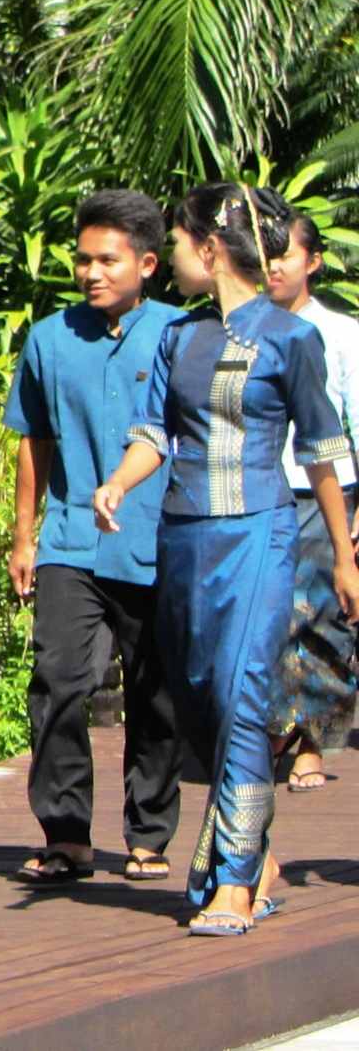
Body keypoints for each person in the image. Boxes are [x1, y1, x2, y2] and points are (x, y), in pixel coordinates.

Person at [94, 184, 359, 936]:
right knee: (200, 701)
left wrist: (344, 556)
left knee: (243, 696)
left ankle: (235, 884)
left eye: (178, 242)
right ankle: (257, 852)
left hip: (261, 536)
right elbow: (153, 434)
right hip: (183, 538)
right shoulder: (178, 337)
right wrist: (118, 483)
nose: (172, 255)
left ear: (210, 250)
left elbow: (324, 452)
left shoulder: (290, 338)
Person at [3, 190, 185, 884]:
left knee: (154, 690)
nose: (91, 273)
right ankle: (66, 833)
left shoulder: (179, 334)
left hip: (155, 542)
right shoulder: (49, 338)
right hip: (69, 539)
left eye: (108, 260)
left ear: (147, 264)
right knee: (57, 679)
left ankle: (150, 835)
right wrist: (24, 537)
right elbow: (32, 440)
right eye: (83, 260)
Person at [265, 211, 359, 792]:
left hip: (327, 494)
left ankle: (313, 743)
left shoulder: (342, 333)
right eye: (266, 254)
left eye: (286, 254)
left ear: (314, 261)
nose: (273, 266)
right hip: (262, 494)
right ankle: (274, 729)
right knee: (272, 618)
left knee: (324, 620)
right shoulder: (244, 329)